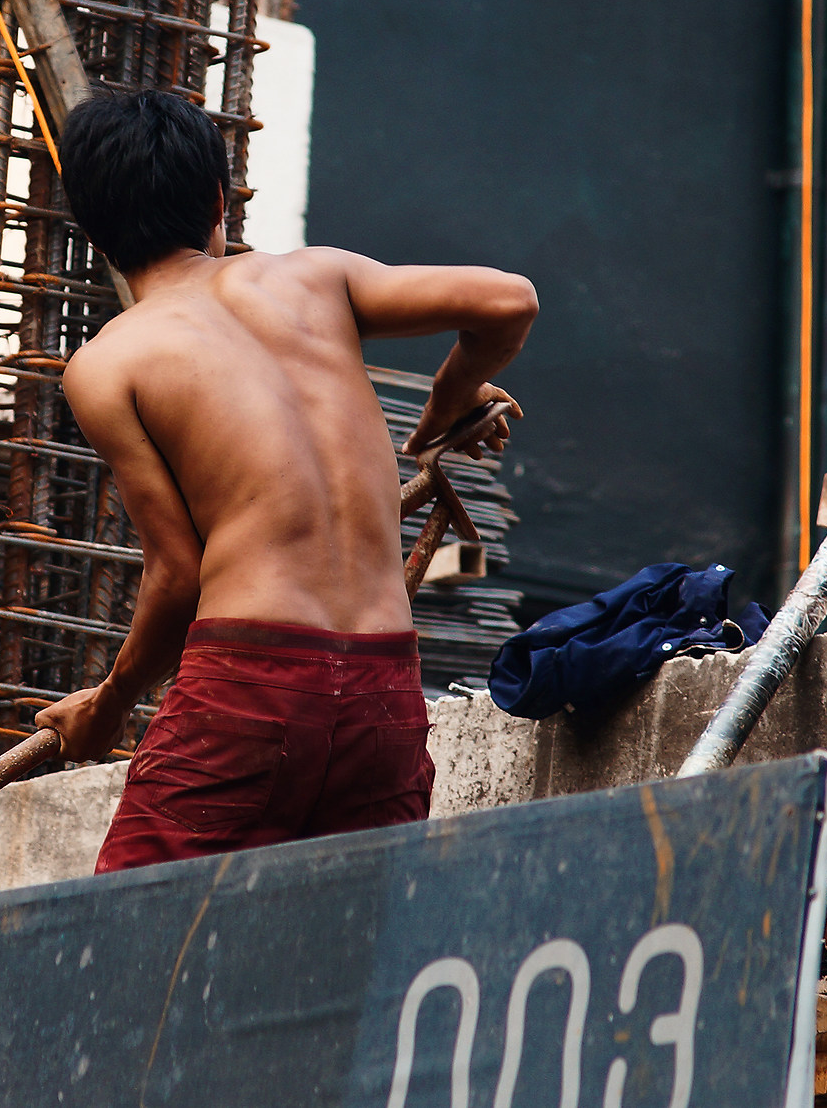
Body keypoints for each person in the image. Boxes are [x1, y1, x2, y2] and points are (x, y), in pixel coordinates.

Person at [34, 89, 538, 872]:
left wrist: (106, 709)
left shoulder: (107, 364)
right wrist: (445, 404)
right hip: (384, 691)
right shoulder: (318, 278)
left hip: (249, 686)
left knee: (127, 952)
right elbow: (508, 301)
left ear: (93, 230)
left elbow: (177, 577)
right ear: (218, 204)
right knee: (342, 966)